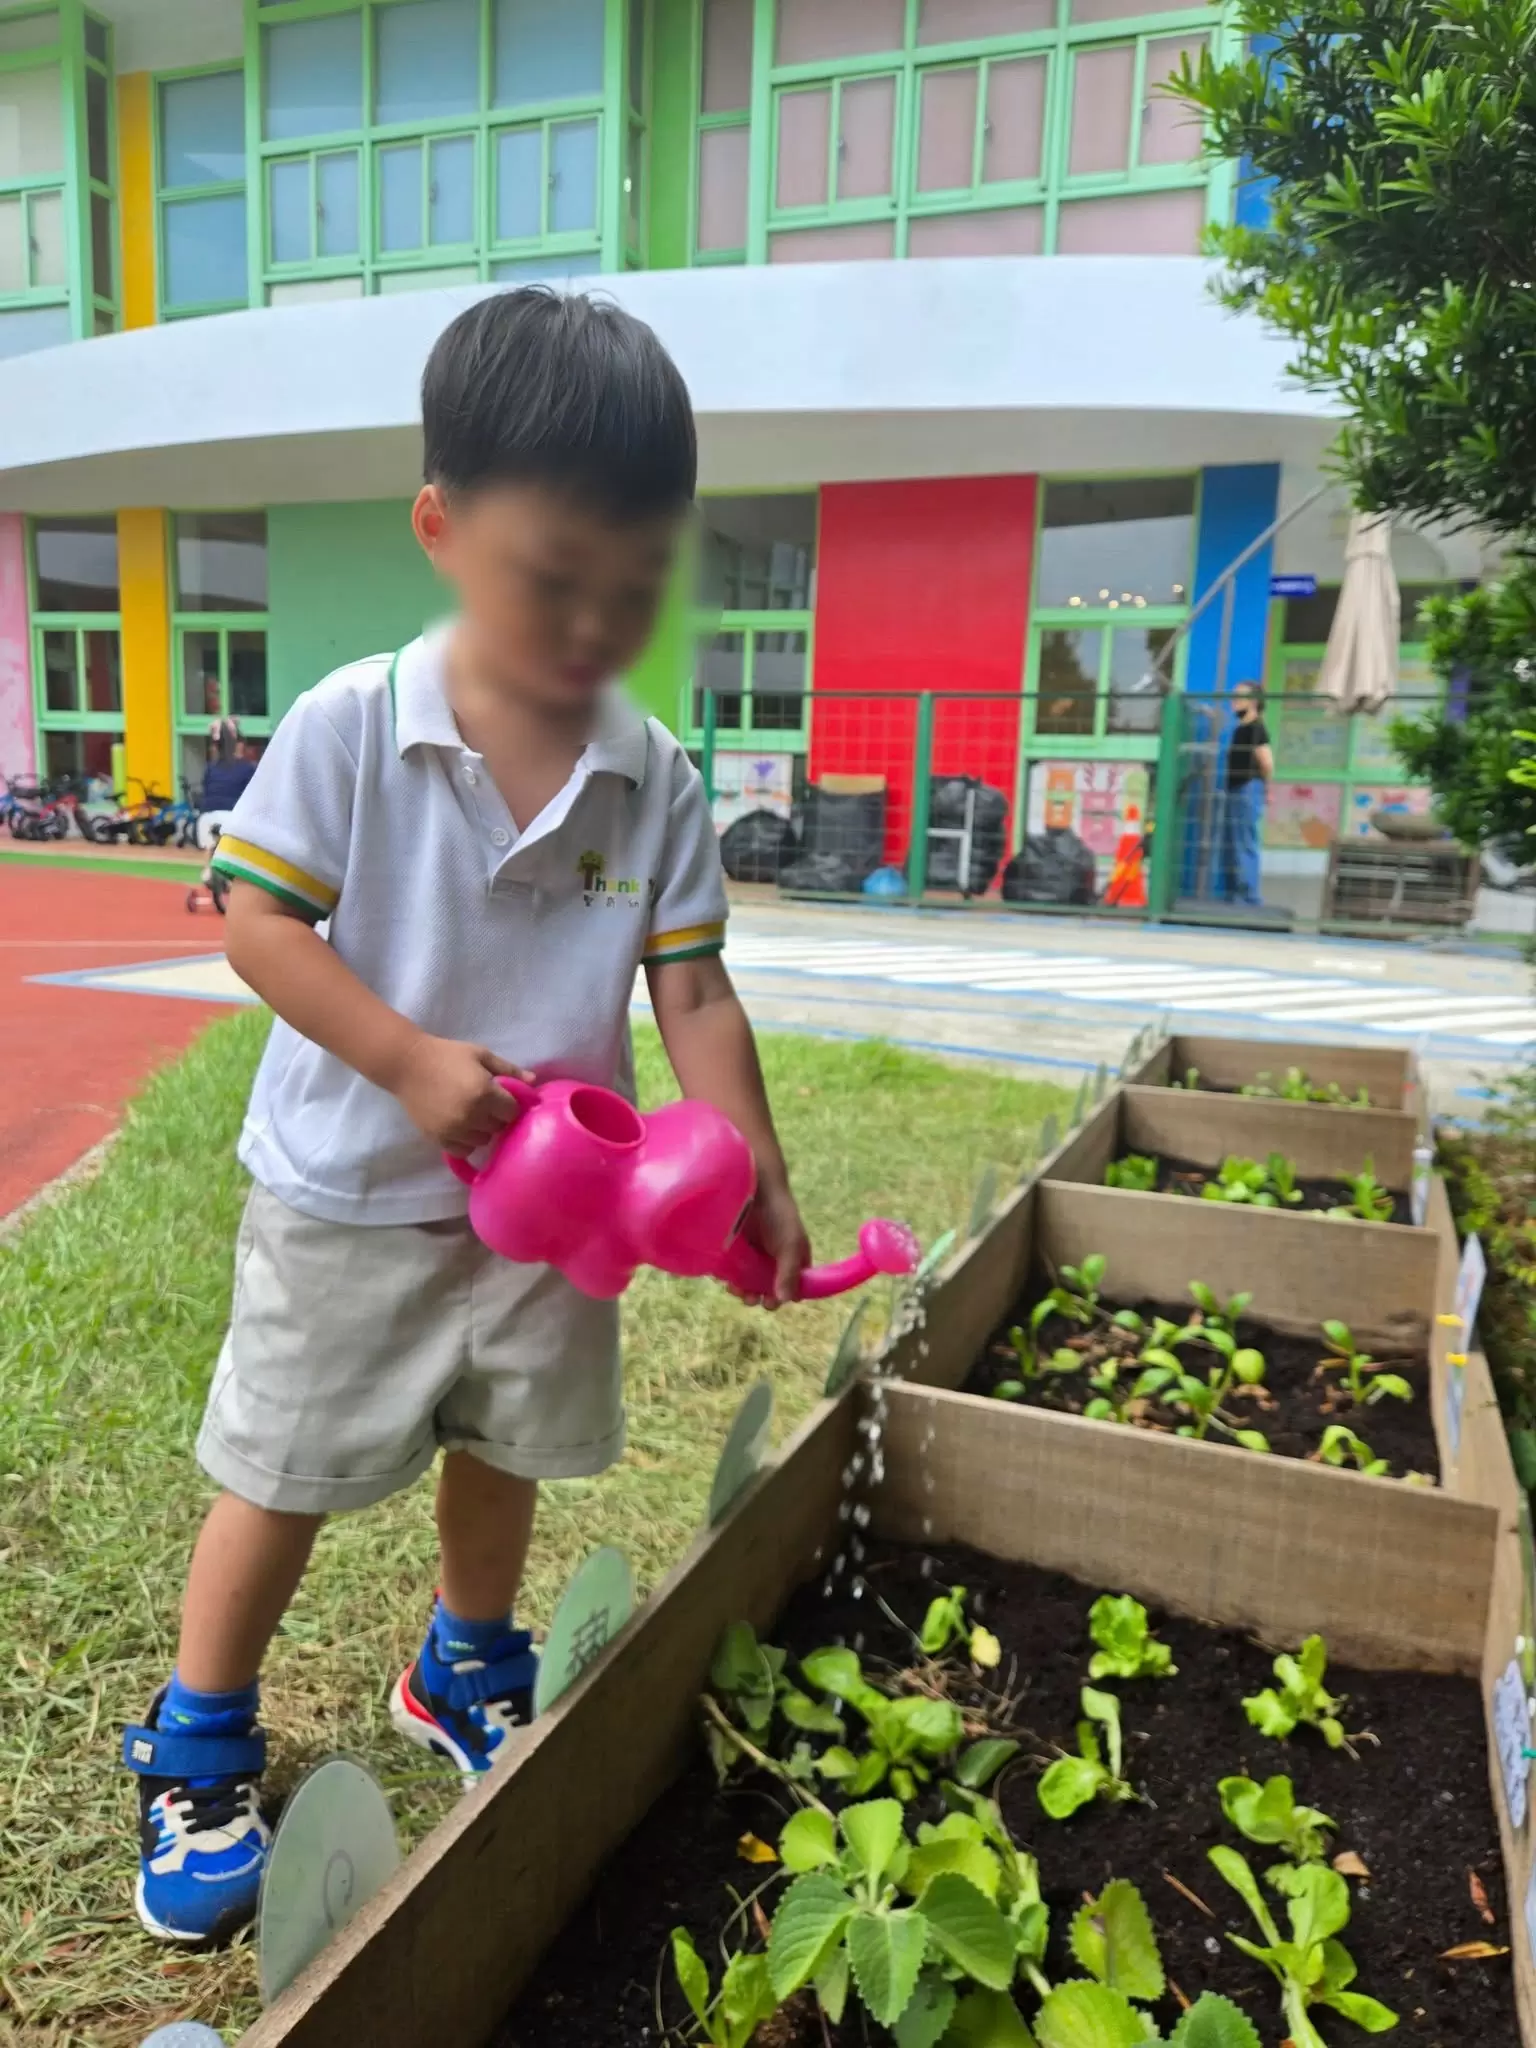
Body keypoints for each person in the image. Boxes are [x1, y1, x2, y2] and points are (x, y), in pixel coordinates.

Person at [121, 288, 810, 1946]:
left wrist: (753, 1156)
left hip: (558, 1215)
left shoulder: (651, 772)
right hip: (351, 1190)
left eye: (630, 584)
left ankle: (464, 1658)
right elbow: (255, 922)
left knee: (504, 1446)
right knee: (284, 1462)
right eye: (545, 578)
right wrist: (416, 1059)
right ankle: (200, 1729)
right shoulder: (355, 725)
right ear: (440, 528)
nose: (591, 623)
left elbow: (692, 990)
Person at [1219, 681, 1273, 907]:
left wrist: (1265, 789)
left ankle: (1250, 897)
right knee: (1232, 843)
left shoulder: (1256, 728)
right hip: (1235, 790)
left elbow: (1267, 762)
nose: (1234, 701)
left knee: (1244, 842)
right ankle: (1236, 894)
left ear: (1253, 702)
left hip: (1247, 788)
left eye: (1240, 696)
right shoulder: (1240, 729)